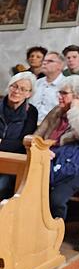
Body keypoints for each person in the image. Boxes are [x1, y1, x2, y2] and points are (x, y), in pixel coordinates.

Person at [31, 75, 79, 219]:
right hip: (49, 160)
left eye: (64, 93)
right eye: (60, 92)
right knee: (29, 190)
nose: (60, 97)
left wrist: (75, 110)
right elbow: (38, 135)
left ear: (77, 96)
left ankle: (55, 233)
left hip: (76, 166)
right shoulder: (57, 111)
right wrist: (42, 149)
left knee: (55, 199)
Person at [0, 71, 38, 199]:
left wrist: (2, 143)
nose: (17, 91)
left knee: (2, 186)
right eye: (14, 86)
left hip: (14, 160)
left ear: (29, 93)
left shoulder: (31, 112)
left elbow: (23, 142)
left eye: (23, 89)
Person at [30, 50, 66, 123]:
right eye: (44, 60)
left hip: (53, 127)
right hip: (32, 125)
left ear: (60, 65)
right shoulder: (37, 83)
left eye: (50, 61)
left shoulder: (66, 84)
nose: (44, 63)